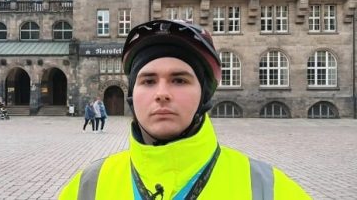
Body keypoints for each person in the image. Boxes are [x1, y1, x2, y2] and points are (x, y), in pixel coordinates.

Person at [59, 19, 310, 199]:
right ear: (132, 95)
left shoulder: (269, 189)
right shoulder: (87, 186)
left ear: (204, 94)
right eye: (147, 81)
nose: (162, 94)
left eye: (179, 80)